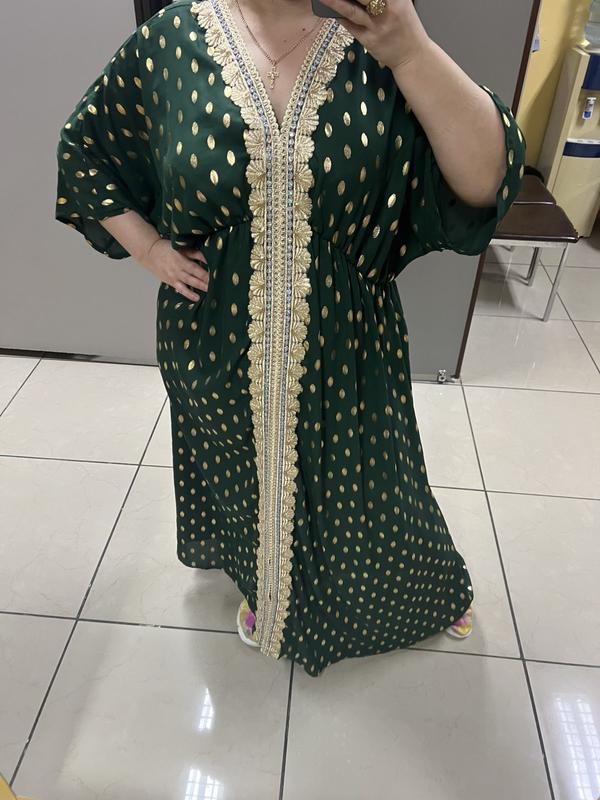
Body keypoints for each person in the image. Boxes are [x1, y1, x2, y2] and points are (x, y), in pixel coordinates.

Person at [54, 0, 525, 676]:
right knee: (246, 484)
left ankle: (411, 592)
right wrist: (151, 249)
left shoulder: (376, 44)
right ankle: (269, 590)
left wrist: (412, 51)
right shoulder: (170, 42)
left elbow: (485, 184)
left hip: (350, 351)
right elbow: (85, 151)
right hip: (212, 342)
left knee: (371, 492)